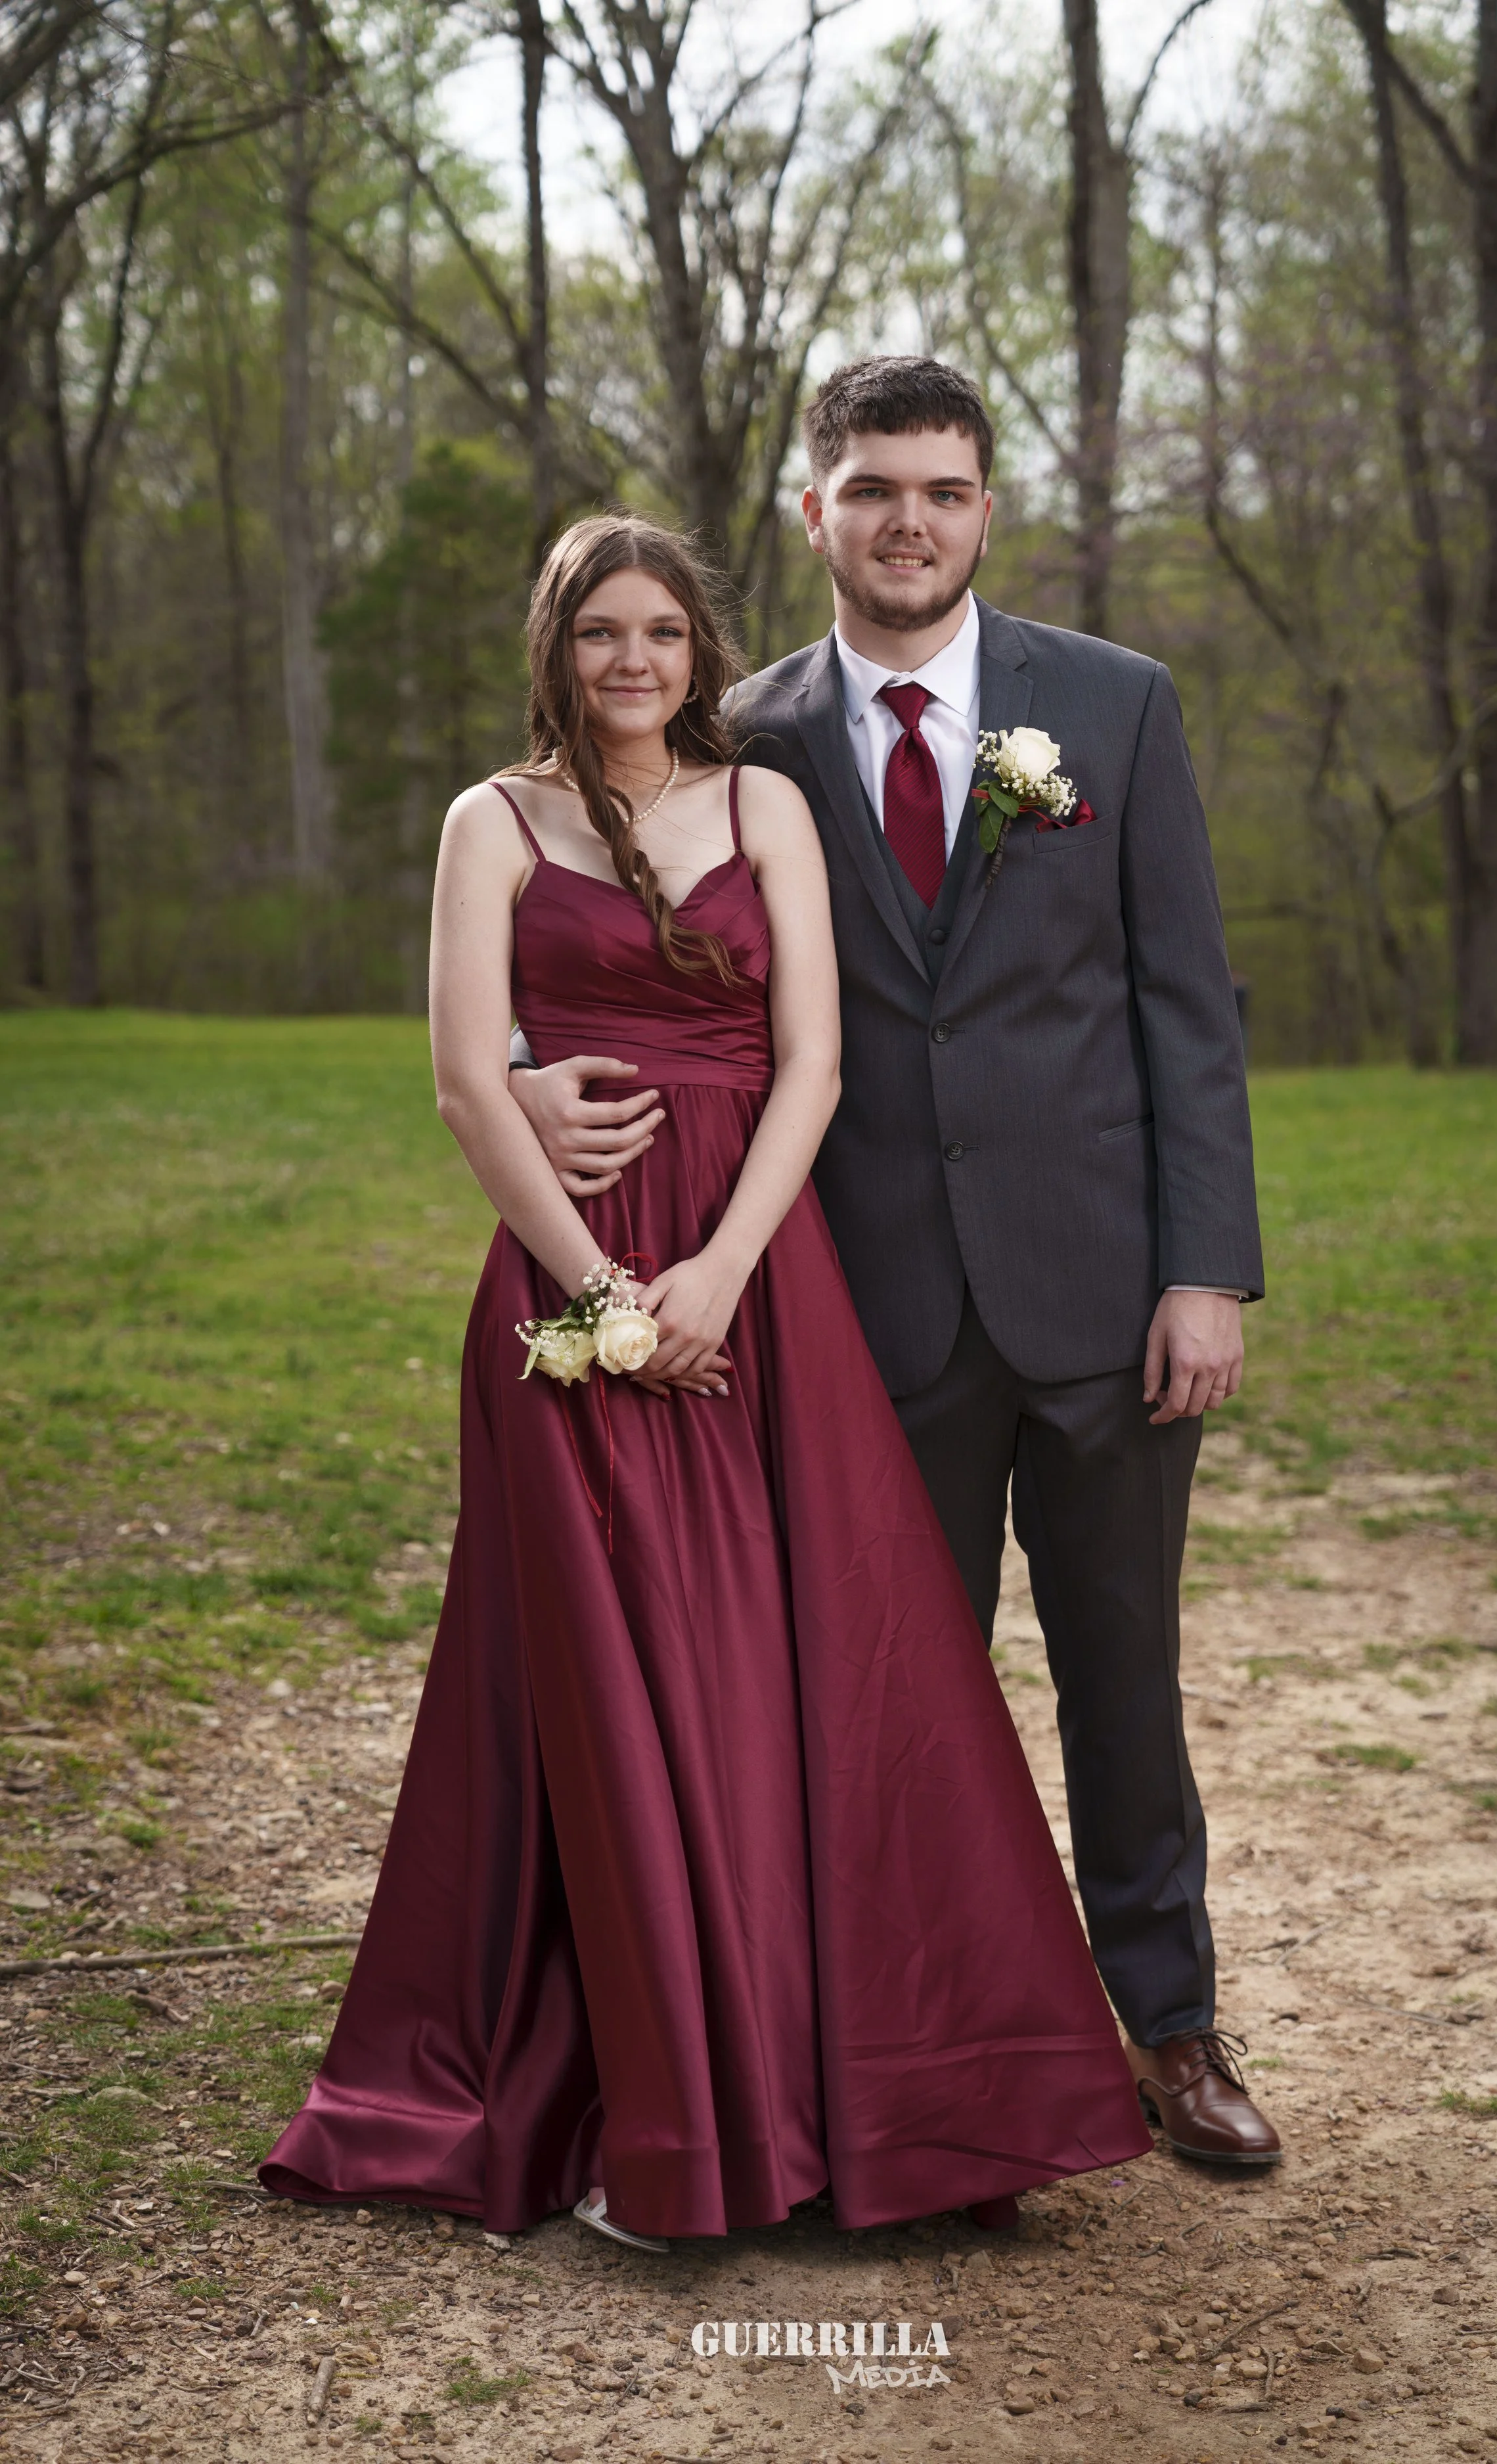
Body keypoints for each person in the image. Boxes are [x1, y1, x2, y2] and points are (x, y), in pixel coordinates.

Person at [258, 510, 1152, 2250]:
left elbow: (812, 1062)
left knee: (800, 1664)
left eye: (662, 632)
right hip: (567, 1288)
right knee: (611, 1683)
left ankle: (880, 2096)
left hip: (757, 1280)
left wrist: (717, 1275)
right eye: (600, 632)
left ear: (701, 649)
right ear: (555, 647)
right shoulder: (489, 823)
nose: (633, 662)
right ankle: (659, 2118)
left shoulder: (763, 809)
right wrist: (598, 1293)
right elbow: (460, 1079)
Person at [510, 357, 1282, 2168]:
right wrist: (537, 1084)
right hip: (856, 1312)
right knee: (879, 1700)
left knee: (1124, 1677)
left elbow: (1189, 1009)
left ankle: (1169, 2028)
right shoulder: (741, 735)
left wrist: (1205, 1269)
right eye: (870, 489)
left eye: (938, 487)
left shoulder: (1111, 706)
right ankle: (918, 2063)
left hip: (1102, 1294)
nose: (906, 519)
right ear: (814, 513)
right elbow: (618, 929)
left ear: (984, 506)